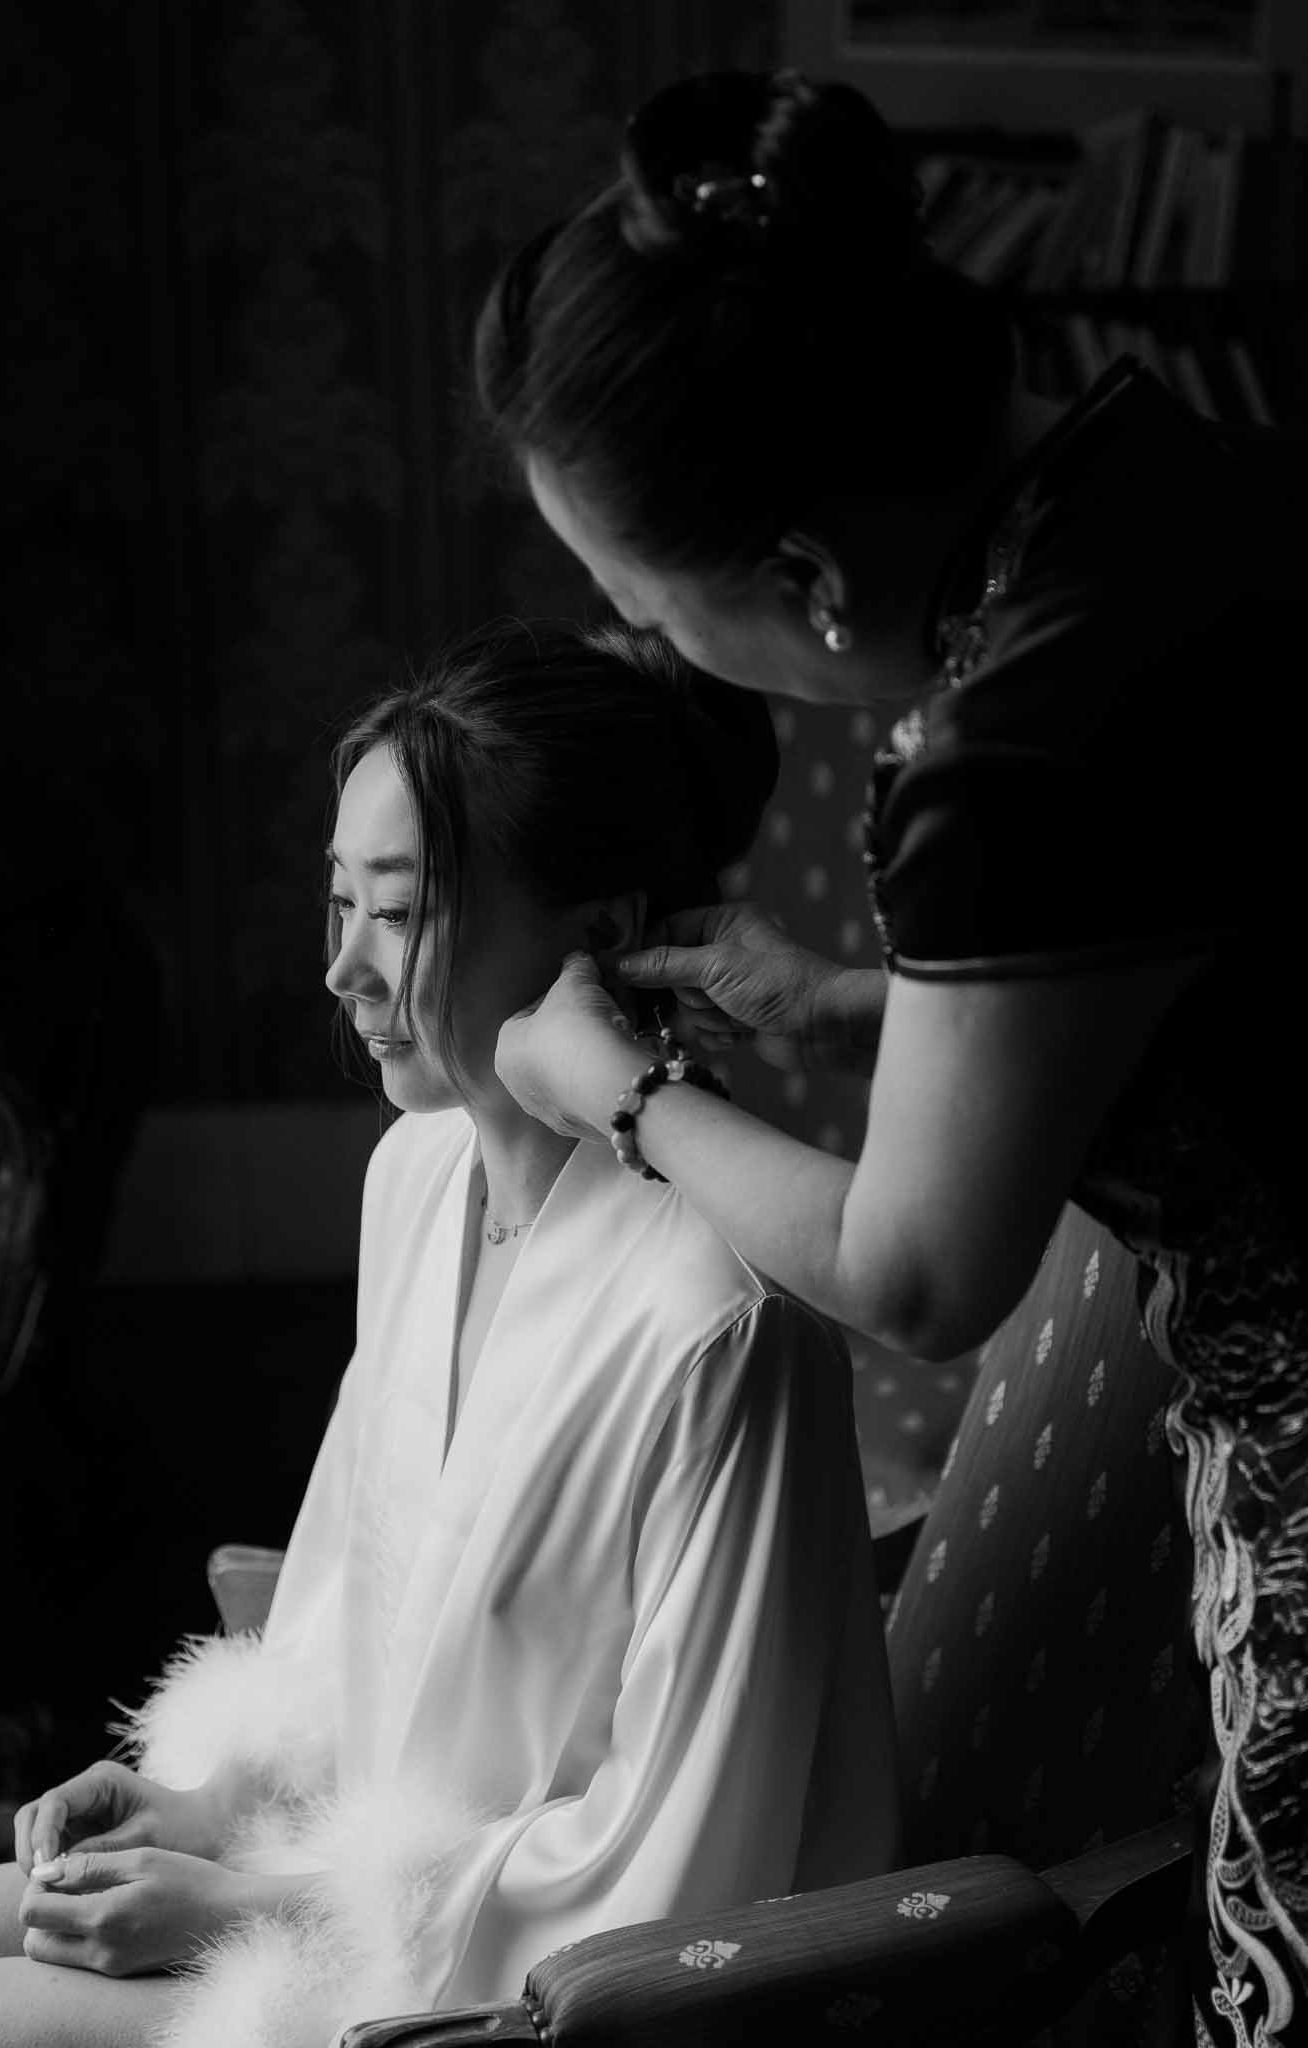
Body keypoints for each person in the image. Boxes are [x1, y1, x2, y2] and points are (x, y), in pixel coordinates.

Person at [474, 67, 1308, 2048]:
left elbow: (927, 1272)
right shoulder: (1175, 473)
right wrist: (875, 1002)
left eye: (643, 612)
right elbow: (1221, 942)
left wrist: (623, 1092)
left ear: (811, 579)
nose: (649, 652)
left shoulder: (1005, 750)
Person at [0, 622, 898, 2048]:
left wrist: (259, 1913)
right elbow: (354, 1614)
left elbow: (692, 1867)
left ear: (597, 935)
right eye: (337, 903)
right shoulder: (419, 1178)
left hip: (517, 1992)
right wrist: (210, 1805)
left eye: (397, 912)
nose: (343, 970)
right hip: (339, 1882)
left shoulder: (719, 1322)